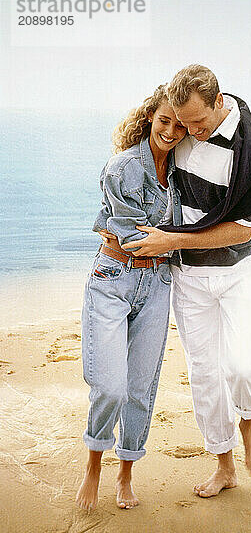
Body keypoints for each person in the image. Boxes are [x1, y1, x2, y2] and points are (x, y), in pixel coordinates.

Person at [122, 65, 251, 498]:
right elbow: (138, 173)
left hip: (239, 272)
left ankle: (250, 424)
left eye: (197, 122)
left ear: (218, 102)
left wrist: (171, 240)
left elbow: (243, 229)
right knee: (206, 376)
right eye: (180, 122)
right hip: (189, 277)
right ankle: (224, 464)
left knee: (243, 365)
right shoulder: (178, 132)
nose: (188, 132)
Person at [75, 85, 187, 511]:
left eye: (180, 125)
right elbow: (135, 238)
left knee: (141, 388)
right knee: (110, 386)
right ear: (149, 118)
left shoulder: (182, 174)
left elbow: (170, 234)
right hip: (113, 279)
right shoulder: (122, 167)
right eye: (164, 121)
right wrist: (177, 240)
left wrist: (168, 241)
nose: (172, 131)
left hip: (158, 284)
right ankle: (93, 465)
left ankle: (126, 473)